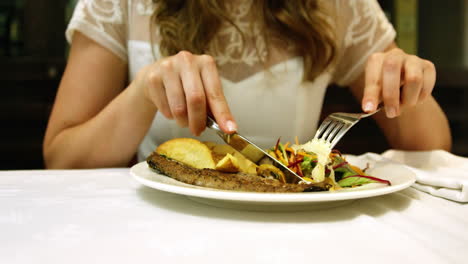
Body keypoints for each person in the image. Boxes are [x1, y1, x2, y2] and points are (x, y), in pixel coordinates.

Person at [43, 0, 451, 169]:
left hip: (296, 232)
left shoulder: (341, 5)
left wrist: (407, 82)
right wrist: (143, 92)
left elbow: (433, 146)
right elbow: (61, 157)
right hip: (158, 229)